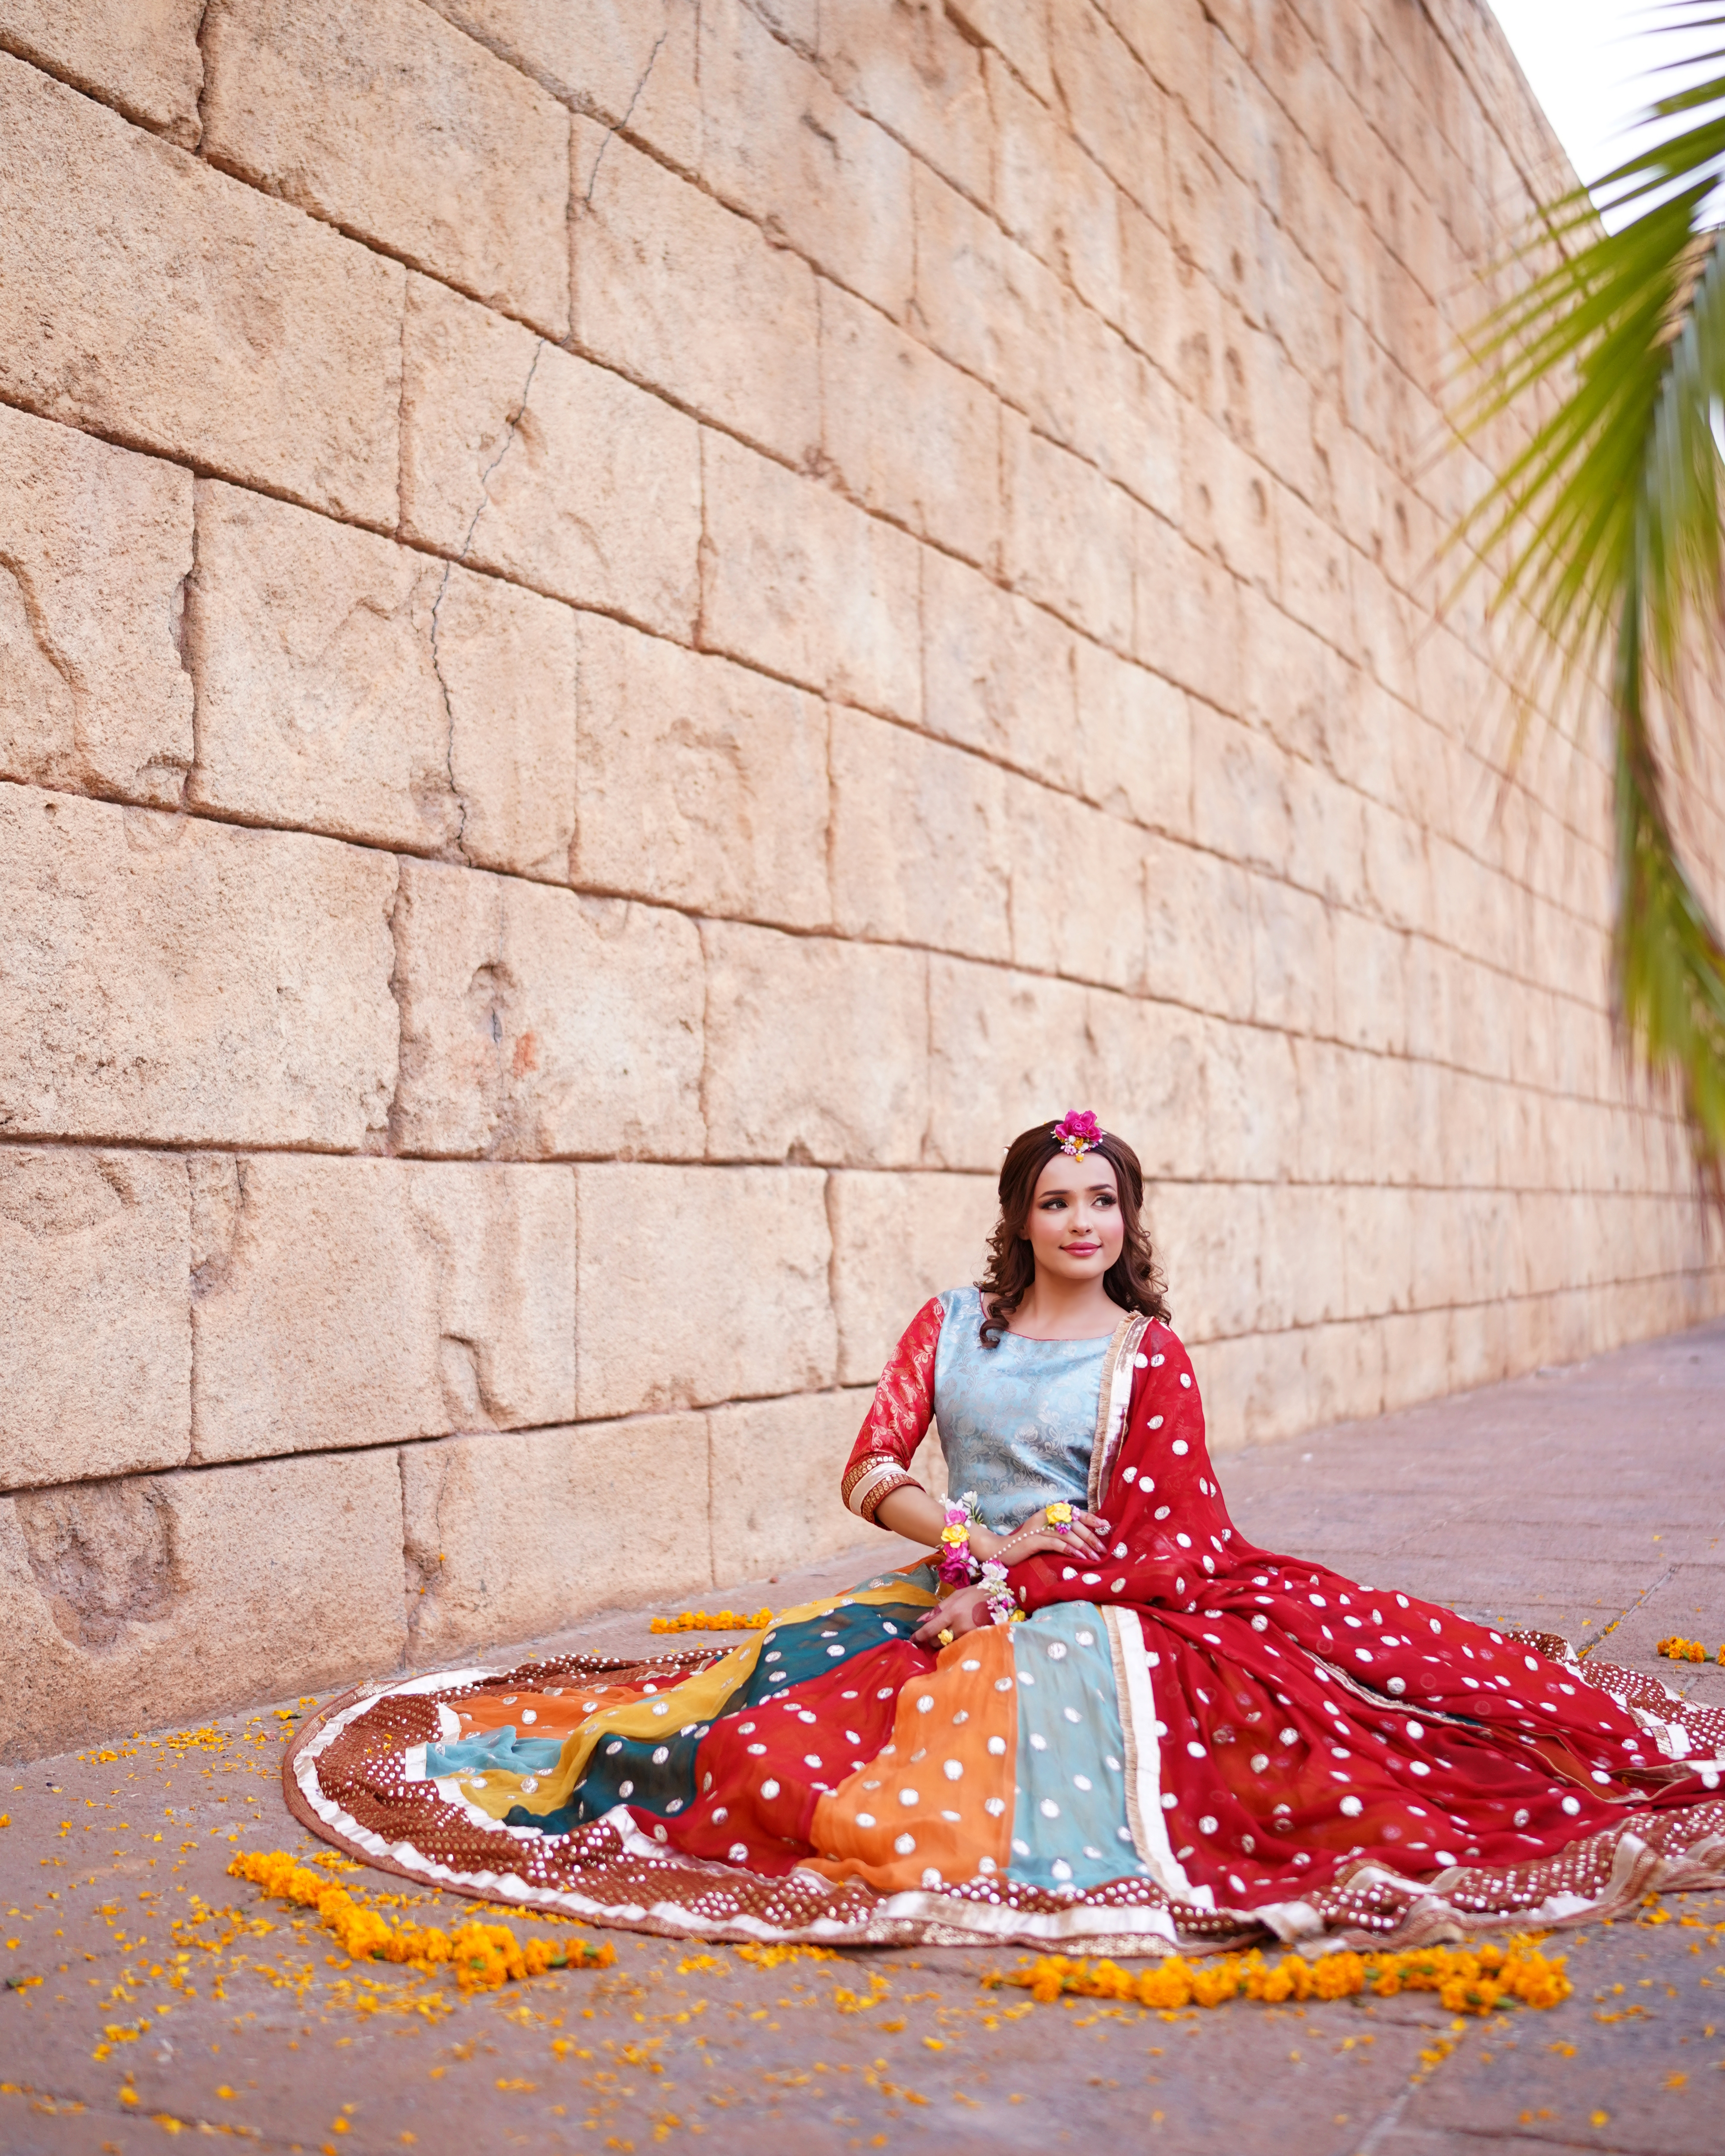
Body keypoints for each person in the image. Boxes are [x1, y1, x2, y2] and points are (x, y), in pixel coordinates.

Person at [287, 1114, 1725, 1953]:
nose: (1081, 1219)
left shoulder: (1149, 1358)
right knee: (732, 1732)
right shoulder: (950, 1328)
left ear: (1128, 1216)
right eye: (1056, 1200)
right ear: (1019, 1216)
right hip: (960, 1583)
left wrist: (1035, 1578)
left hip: (1111, 1608)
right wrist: (966, 1555)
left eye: (1103, 1201)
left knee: (1303, 1745)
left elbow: (1177, 1539)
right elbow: (869, 1466)